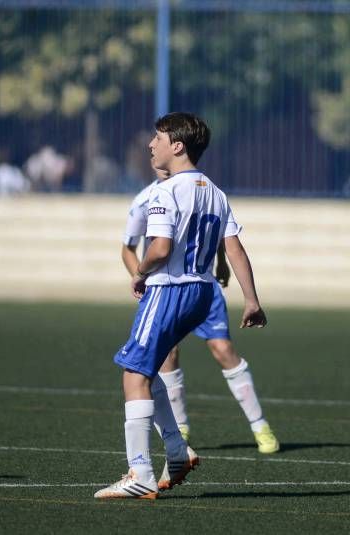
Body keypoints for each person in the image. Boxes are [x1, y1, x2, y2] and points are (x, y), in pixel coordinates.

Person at [95, 112, 268, 499]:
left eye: (157, 138)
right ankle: (175, 451)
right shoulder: (215, 191)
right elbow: (235, 248)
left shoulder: (165, 191)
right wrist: (252, 299)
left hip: (170, 291)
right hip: (204, 293)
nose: (150, 145)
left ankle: (138, 473)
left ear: (178, 146)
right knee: (149, 369)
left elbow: (160, 248)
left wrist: (140, 272)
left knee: (132, 374)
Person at [121, 168, 279, 454]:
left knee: (222, 350)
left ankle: (259, 425)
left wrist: (219, 262)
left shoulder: (203, 191)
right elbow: (128, 248)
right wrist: (139, 275)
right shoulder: (146, 199)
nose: (154, 148)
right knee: (168, 354)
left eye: (161, 140)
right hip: (168, 287)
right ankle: (180, 429)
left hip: (195, 285)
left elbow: (208, 235)